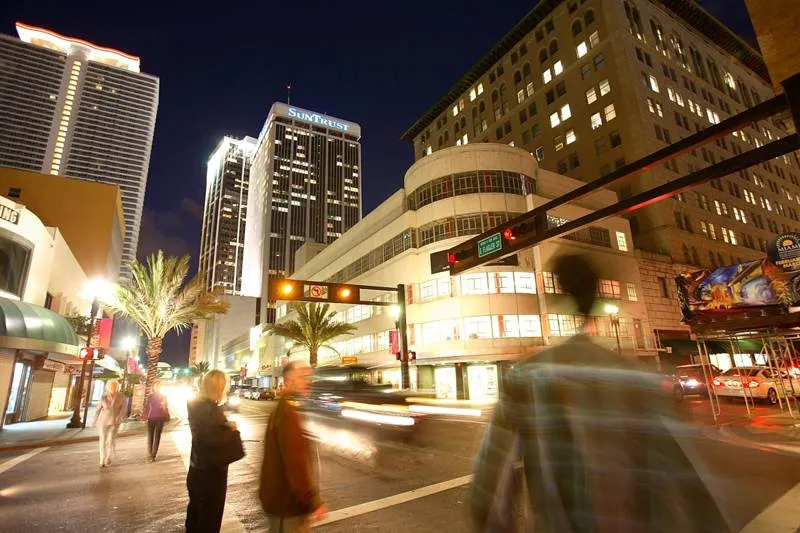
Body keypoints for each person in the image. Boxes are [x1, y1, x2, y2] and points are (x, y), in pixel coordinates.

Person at [470, 254, 730, 533]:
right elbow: (686, 474)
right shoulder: (638, 378)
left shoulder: (527, 376)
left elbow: (492, 483)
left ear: (562, 293)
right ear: (596, 298)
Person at [259, 362, 327, 533]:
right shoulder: (288, 413)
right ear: (288, 381)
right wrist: (313, 502)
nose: (309, 381)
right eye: (303, 377)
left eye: (310, 376)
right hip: (287, 506)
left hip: (282, 503)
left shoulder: (287, 408)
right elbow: (296, 463)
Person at [185, 370, 245, 533]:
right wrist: (232, 430)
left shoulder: (195, 405)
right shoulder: (212, 409)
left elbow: (203, 434)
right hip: (211, 475)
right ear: (219, 388)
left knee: (194, 517)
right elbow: (213, 440)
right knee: (209, 522)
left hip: (196, 470)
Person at [94, 379, 125, 468]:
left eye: (114, 386)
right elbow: (98, 408)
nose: (112, 388)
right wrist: (94, 420)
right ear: (108, 387)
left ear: (117, 387)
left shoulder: (121, 396)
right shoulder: (104, 396)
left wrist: (120, 416)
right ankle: (102, 459)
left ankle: (108, 457)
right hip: (103, 421)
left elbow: (123, 409)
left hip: (115, 422)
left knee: (110, 440)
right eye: (111, 386)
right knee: (103, 439)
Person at [144, 381, 170, 461]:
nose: (157, 387)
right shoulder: (150, 397)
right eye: (156, 386)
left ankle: (153, 454)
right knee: (150, 436)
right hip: (151, 418)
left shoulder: (163, 396)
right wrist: (145, 417)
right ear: (153, 387)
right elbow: (147, 407)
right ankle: (150, 454)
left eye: (158, 386)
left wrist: (164, 408)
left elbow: (166, 407)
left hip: (160, 418)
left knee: (157, 436)